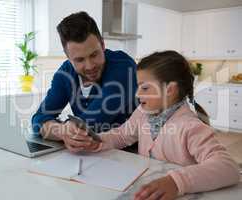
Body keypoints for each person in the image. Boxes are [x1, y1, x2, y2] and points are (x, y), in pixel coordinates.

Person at [74, 50, 240, 199]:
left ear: (169, 89)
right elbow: (122, 135)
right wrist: (96, 140)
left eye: (144, 88)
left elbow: (228, 168)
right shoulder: (143, 113)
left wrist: (177, 182)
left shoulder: (191, 127)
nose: (138, 94)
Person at [31, 11, 137, 152]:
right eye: (79, 60)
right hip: (89, 155)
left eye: (94, 55)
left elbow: (92, 124)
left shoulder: (123, 67)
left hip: (131, 155)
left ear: (103, 45)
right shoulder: (65, 74)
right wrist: (61, 130)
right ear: (68, 57)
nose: (90, 66)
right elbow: (38, 120)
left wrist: (64, 129)